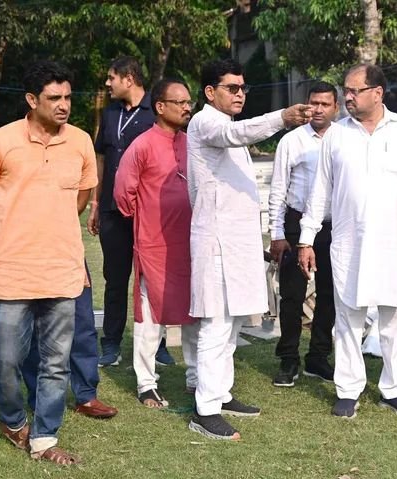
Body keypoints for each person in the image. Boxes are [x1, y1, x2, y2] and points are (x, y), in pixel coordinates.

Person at [0, 60, 97, 465]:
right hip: (10, 269)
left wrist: (52, 228)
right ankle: (11, 420)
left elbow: (82, 195)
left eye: (68, 97)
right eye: (54, 98)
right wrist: (12, 229)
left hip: (61, 268)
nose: (64, 105)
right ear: (31, 99)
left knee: (55, 363)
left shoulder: (80, 141)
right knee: (7, 358)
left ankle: (44, 438)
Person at [297, 64, 397, 419]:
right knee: (349, 318)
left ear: (377, 93)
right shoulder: (336, 136)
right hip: (351, 243)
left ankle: (394, 389)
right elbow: (320, 192)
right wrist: (306, 239)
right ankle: (348, 391)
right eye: (345, 90)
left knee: (395, 319)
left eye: (354, 91)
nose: (347, 97)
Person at [187, 58, 313, 440]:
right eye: (232, 88)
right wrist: (282, 118)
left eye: (243, 88)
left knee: (234, 324)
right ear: (211, 92)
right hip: (216, 242)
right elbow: (236, 134)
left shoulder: (227, 126)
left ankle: (221, 395)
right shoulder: (206, 122)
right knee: (216, 324)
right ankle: (205, 410)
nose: (240, 94)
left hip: (239, 243)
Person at [113, 78, 198, 408]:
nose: (187, 108)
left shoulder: (193, 144)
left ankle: (196, 378)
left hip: (192, 244)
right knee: (150, 317)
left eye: (189, 102)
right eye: (180, 102)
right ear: (160, 107)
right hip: (154, 245)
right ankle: (146, 383)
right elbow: (123, 194)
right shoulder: (142, 145)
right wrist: (150, 219)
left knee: (196, 312)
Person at [89, 56, 175, 367]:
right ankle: (111, 344)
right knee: (114, 278)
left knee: (152, 279)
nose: (107, 83)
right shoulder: (110, 113)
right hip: (113, 210)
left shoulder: (156, 112)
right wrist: (96, 203)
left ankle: (158, 344)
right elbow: (101, 158)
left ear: (129, 79)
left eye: (111, 77)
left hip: (148, 211)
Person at [268, 81, 338, 387]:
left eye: (325, 104)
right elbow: (278, 190)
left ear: (336, 107)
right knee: (292, 295)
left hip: (334, 225)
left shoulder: (344, 139)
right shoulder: (292, 141)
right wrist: (277, 233)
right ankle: (288, 358)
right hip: (296, 223)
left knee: (330, 294)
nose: (318, 109)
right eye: (314, 103)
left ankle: (318, 357)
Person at [21, 263, 118, 419]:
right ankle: (39, 398)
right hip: (29, 258)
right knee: (34, 329)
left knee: (82, 323)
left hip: (69, 257)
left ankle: (86, 395)